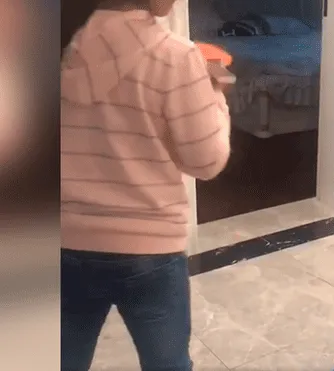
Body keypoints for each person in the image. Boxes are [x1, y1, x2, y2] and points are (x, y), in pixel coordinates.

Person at [60, 1, 231, 370]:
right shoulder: (176, 57)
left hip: (66, 239)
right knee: (166, 364)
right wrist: (215, 94)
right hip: (149, 248)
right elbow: (206, 160)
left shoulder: (61, 48)